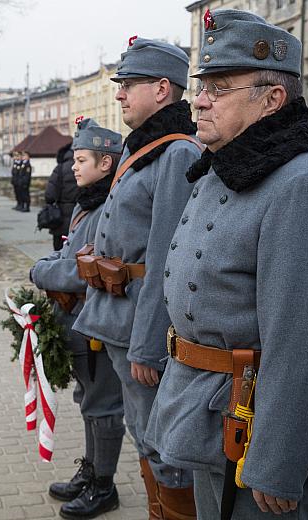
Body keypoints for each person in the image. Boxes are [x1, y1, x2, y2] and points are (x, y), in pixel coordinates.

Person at [147, 10, 308, 520]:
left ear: (272, 99)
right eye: (203, 85)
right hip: (206, 407)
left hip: (257, 426)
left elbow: (306, 345)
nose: (199, 99)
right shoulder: (221, 167)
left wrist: (278, 460)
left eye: (219, 87)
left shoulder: (304, 186)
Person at [72, 36, 202, 519]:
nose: (120, 94)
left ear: (163, 89)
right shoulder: (144, 147)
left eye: (129, 85)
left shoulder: (175, 154)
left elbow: (169, 256)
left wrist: (150, 344)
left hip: (140, 329)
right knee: (142, 432)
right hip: (118, 318)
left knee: (161, 441)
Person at [31, 118, 126, 519]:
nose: (73, 166)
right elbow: (69, 253)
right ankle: (91, 472)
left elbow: (83, 270)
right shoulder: (88, 204)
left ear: (106, 163)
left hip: (97, 325)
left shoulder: (110, 208)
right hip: (79, 321)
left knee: (104, 404)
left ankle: (104, 486)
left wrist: (40, 272)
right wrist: (47, 263)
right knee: (88, 399)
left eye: (82, 159)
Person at [45, 142, 79, 251]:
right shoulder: (86, 168)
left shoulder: (59, 169)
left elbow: (49, 195)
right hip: (79, 216)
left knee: (59, 251)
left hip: (61, 219)